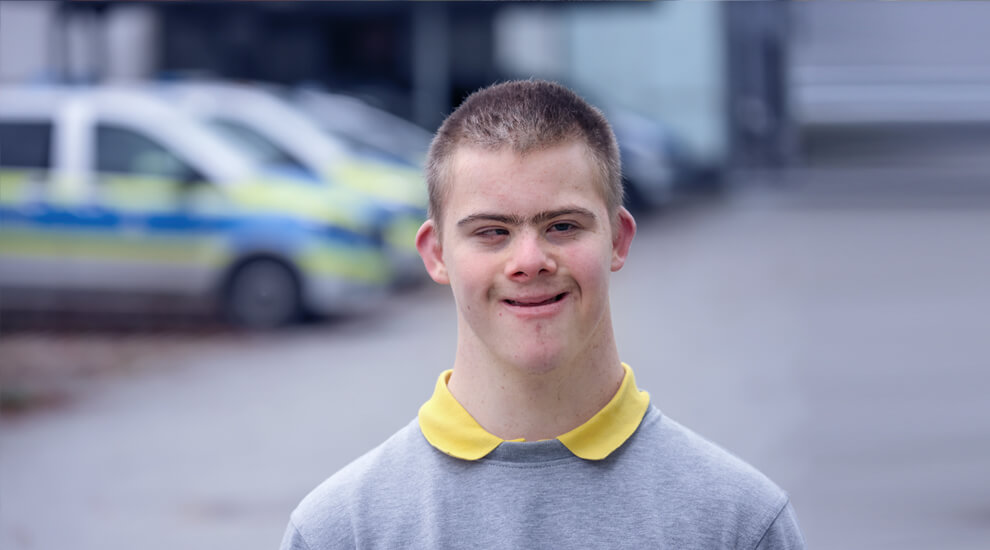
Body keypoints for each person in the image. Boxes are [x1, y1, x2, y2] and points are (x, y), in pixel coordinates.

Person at [280, 80, 805, 549]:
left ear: (618, 240)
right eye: (492, 232)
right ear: (436, 254)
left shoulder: (739, 524)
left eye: (562, 226)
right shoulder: (339, 531)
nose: (529, 261)